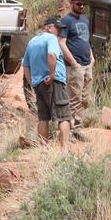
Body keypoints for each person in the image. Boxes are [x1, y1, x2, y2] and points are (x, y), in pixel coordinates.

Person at [21, 18, 70, 146]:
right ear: (48, 27)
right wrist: (53, 75)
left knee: (43, 118)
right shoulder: (51, 38)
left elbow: (26, 65)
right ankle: (63, 150)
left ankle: (43, 149)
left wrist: (31, 82)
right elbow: (52, 55)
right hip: (54, 82)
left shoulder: (32, 41)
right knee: (64, 117)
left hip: (39, 84)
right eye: (57, 28)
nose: (59, 32)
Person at [59, 0, 94, 128]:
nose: (81, 6)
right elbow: (62, 42)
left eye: (83, 4)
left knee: (85, 99)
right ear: (71, 3)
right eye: (79, 3)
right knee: (74, 99)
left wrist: (92, 58)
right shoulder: (66, 21)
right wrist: (73, 62)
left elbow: (86, 40)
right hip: (75, 66)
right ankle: (70, 129)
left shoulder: (85, 20)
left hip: (87, 64)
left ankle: (78, 126)